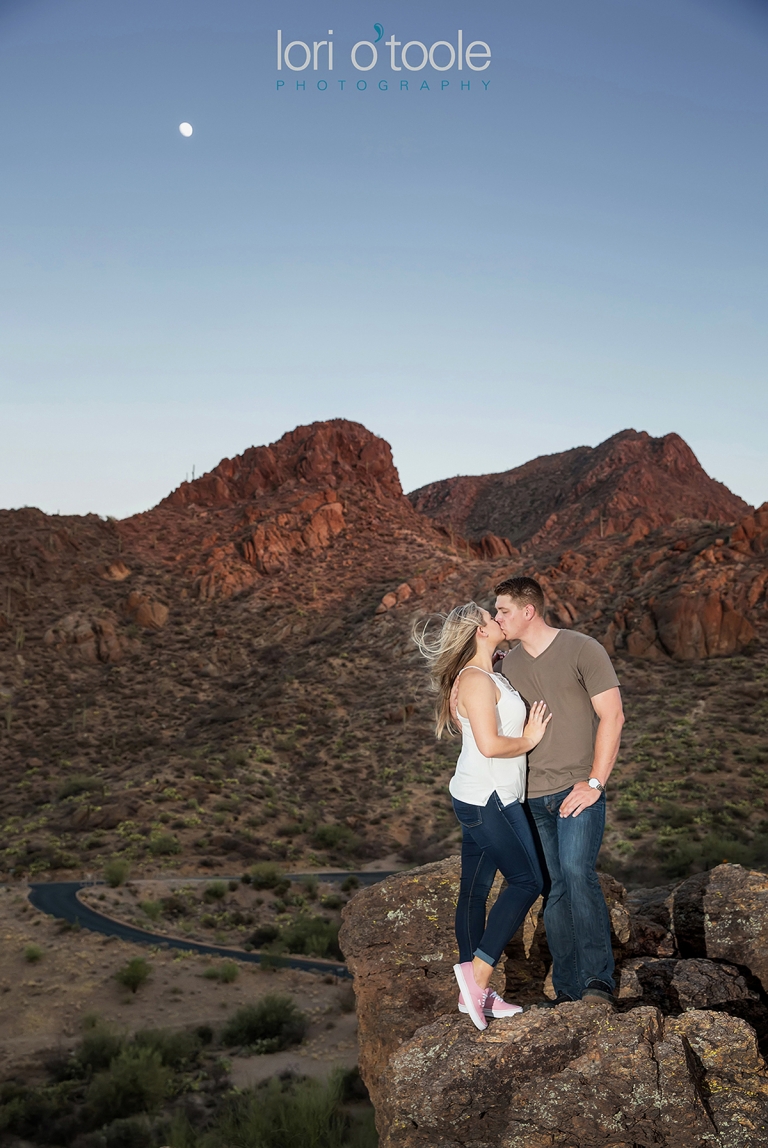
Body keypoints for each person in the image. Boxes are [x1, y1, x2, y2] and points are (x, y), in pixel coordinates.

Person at [414, 602, 551, 1031]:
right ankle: (478, 977)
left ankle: (473, 995)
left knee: (474, 892)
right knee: (529, 881)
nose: (498, 620)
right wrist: (529, 738)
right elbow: (491, 745)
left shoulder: (485, 673)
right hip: (489, 798)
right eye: (492, 618)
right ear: (478, 631)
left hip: (483, 794)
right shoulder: (474, 680)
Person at [494, 575, 625, 1006]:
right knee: (555, 887)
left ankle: (597, 982)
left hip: (577, 789)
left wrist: (594, 783)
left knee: (577, 873)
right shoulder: (508, 666)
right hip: (531, 798)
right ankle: (569, 990)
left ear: (528, 611)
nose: (498, 618)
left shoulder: (583, 648)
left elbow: (613, 716)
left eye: (504, 611)